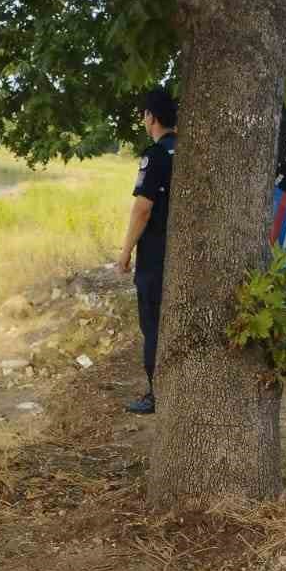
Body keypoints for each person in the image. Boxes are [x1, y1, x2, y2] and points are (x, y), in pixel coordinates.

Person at [117, 87, 178, 415]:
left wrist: (125, 252)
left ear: (151, 117)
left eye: (143, 114)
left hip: (156, 254)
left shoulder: (154, 155)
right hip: (183, 252)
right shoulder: (188, 151)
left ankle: (156, 394)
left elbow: (142, 208)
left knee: (153, 325)